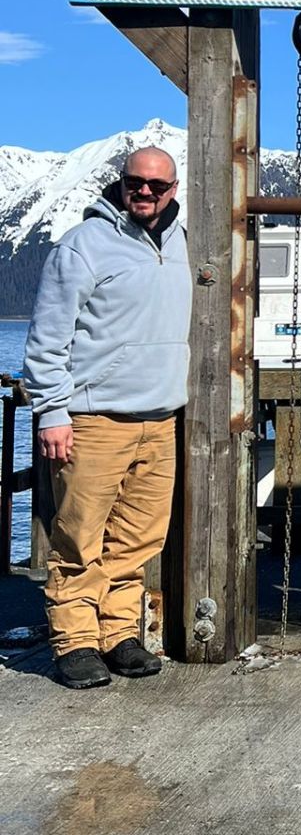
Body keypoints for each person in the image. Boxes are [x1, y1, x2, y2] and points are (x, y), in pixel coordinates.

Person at [23, 147, 190, 688]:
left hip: (160, 417)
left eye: (157, 186)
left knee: (138, 539)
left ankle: (119, 635)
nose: (145, 192)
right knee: (78, 538)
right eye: (135, 183)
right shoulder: (82, 246)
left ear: (173, 189)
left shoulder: (183, 242)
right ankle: (74, 641)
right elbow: (47, 339)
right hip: (93, 417)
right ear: (120, 183)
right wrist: (51, 412)